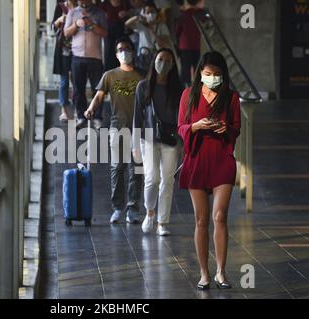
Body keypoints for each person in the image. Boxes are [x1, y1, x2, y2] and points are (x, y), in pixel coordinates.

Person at [177, 51, 241, 290]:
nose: (212, 78)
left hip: (222, 159)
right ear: (199, 74)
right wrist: (195, 126)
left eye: (216, 74)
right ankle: (204, 273)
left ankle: (221, 272)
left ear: (223, 75)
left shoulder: (231, 97)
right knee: (201, 220)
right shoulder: (189, 95)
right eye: (207, 74)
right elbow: (181, 126)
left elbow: (236, 128)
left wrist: (226, 128)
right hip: (197, 159)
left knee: (220, 216)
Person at [84, 37, 143, 224]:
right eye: (120, 49)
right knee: (117, 167)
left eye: (127, 48)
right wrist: (91, 108)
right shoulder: (109, 75)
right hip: (117, 126)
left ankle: (133, 208)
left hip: (138, 129)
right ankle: (118, 207)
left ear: (132, 52)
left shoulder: (142, 77)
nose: (124, 51)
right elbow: (99, 96)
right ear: (116, 54)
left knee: (136, 170)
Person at [132, 48, 183, 236]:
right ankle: (150, 212)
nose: (164, 63)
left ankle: (162, 222)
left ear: (172, 66)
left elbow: (183, 116)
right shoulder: (143, 87)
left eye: (168, 61)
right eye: (161, 59)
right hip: (148, 138)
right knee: (152, 179)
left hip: (171, 139)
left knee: (167, 180)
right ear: (154, 61)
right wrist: (134, 144)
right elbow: (137, 117)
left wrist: (183, 142)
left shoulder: (178, 89)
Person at [64, 0, 108, 130]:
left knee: (98, 89)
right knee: (78, 89)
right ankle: (81, 116)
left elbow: (105, 33)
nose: (83, 2)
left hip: (95, 57)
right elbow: (66, 33)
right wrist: (76, 25)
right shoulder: (72, 13)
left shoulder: (100, 13)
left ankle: (97, 117)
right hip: (77, 57)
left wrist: (92, 25)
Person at [125, 1, 174, 75]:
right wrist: (138, 17)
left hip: (156, 56)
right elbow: (127, 24)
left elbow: (163, 43)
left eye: (152, 11)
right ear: (144, 13)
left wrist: (152, 29)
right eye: (148, 12)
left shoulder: (161, 26)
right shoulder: (141, 25)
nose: (150, 14)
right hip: (143, 55)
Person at [52, 0, 77, 122]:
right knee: (64, 81)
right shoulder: (60, 7)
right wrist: (59, 20)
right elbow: (53, 26)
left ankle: (78, 109)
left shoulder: (80, 7)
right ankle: (64, 111)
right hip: (63, 49)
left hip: (78, 49)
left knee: (77, 80)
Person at [174, 0, 203, 87]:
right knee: (196, 67)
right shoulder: (199, 15)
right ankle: (196, 86)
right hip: (196, 46)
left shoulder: (183, 16)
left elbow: (177, 32)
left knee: (185, 70)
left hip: (185, 47)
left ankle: (184, 88)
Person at [99, 0, 131, 71]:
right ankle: (108, 75)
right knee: (109, 54)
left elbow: (132, 14)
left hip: (122, 33)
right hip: (108, 33)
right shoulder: (104, 4)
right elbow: (100, 18)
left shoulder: (125, 3)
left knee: (122, 52)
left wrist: (127, 14)